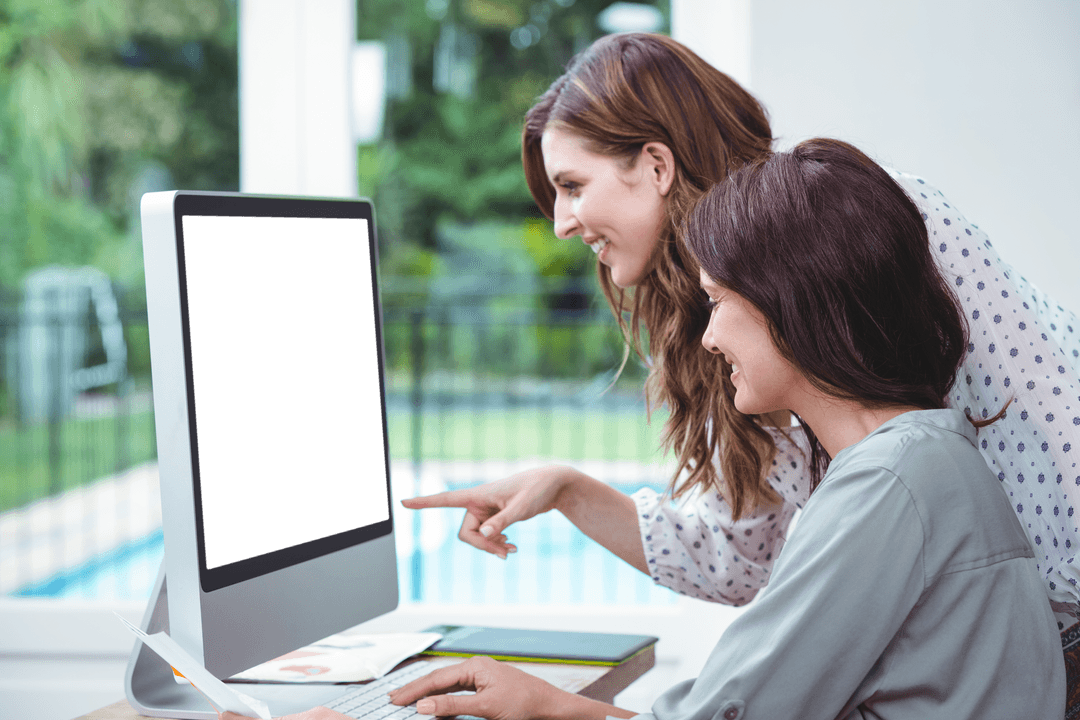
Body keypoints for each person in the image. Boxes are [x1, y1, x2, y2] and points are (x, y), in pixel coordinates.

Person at [405, 32, 1080, 643]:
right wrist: (567, 490)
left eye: (573, 186)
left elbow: (1053, 403)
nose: (561, 222)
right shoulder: (721, 334)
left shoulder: (880, 216)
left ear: (656, 165)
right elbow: (749, 560)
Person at [378, 138, 1064, 719]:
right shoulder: (930, 459)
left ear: (793, 303)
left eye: (718, 303)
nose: (708, 339)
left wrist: (555, 706)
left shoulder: (890, 485)